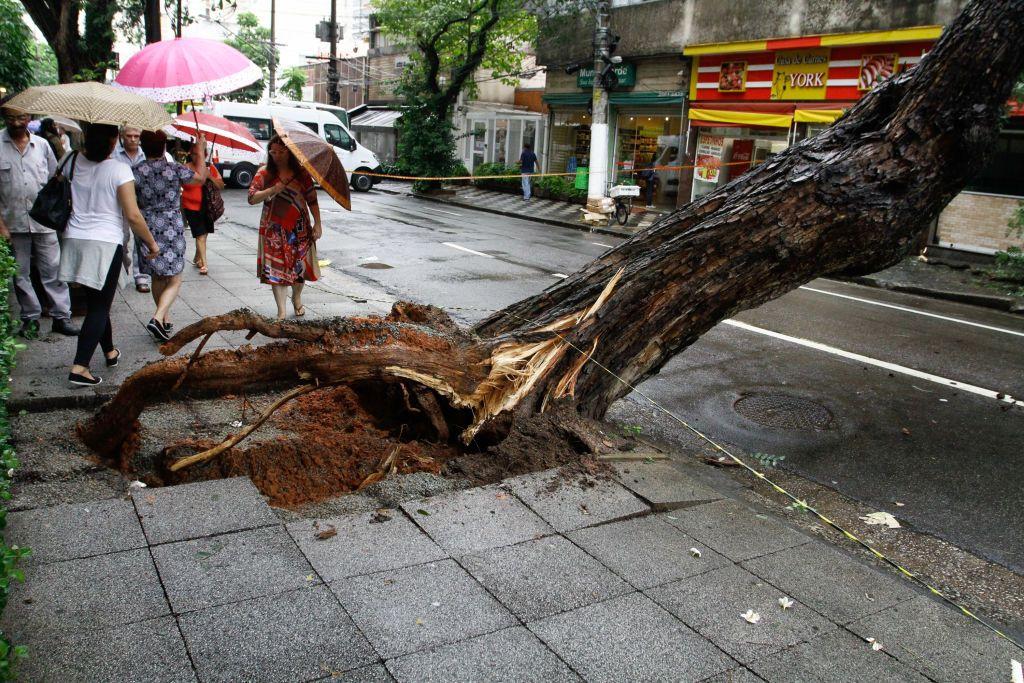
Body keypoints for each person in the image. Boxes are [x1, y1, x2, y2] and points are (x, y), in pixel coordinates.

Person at [59, 123, 159, 386]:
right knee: (100, 306)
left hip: (74, 238)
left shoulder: (70, 159)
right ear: (114, 140)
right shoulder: (119, 169)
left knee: (97, 302)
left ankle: (110, 351)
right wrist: (152, 243)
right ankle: (80, 367)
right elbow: (134, 215)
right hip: (104, 242)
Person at [0, 103, 78, 338]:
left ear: (29, 117)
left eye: (21, 117)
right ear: (4, 117)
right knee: (20, 273)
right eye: (11, 118)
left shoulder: (42, 145)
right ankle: (30, 318)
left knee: (52, 270)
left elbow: (56, 179)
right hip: (11, 221)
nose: (16, 122)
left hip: (43, 221)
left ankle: (61, 317)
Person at [133, 129, 207, 341]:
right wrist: (200, 150)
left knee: (157, 275)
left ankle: (164, 318)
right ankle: (157, 317)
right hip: (172, 225)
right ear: (164, 146)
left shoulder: (136, 171)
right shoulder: (174, 169)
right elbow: (200, 178)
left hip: (147, 226)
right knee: (175, 277)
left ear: (142, 146)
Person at [248, 135, 322, 320]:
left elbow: (312, 199)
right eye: (273, 152)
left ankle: (296, 298)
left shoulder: (302, 174)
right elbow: (252, 198)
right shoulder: (264, 174)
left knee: (299, 268)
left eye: (281, 152)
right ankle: (281, 311)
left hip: (300, 228)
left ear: (290, 152)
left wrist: (318, 223)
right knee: (276, 269)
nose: (277, 156)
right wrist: (272, 190)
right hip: (273, 229)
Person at [109, 126, 153, 293]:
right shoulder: (114, 155)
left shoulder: (145, 155)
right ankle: (122, 267)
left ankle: (141, 276)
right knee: (123, 239)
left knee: (141, 240)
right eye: (129, 136)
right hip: (120, 204)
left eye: (136, 136)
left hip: (141, 204)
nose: (133, 139)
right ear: (122, 136)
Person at [180, 140, 223, 275]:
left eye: (198, 153)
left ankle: (197, 256)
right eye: (193, 154)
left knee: (203, 234)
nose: (196, 156)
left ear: (204, 154)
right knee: (200, 235)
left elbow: (221, 186)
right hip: (190, 206)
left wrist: (209, 176)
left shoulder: (210, 169)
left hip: (207, 206)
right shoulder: (185, 168)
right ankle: (204, 264)